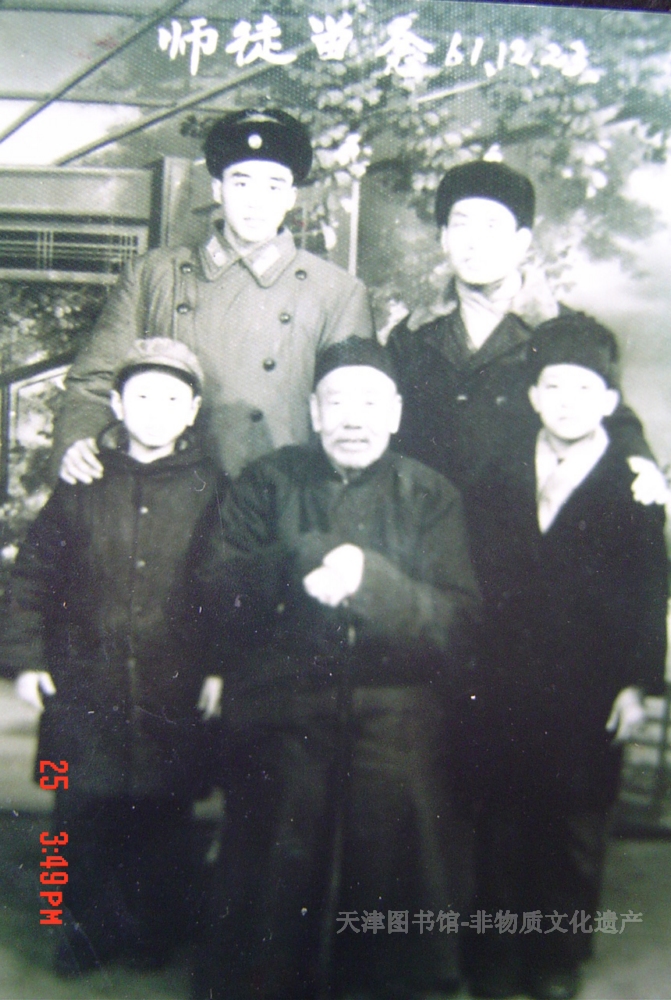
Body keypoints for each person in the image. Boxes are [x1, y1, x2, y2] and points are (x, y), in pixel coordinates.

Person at [191, 337, 481, 1000]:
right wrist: (305, 556)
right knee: (278, 818)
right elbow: (216, 589)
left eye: (371, 404)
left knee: (398, 809)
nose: (354, 419)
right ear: (315, 413)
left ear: (396, 413)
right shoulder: (266, 481)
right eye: (338, 403)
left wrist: (370, 581)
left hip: (394, 704)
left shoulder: (430, 494)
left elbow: (459, 622)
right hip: (287, 698)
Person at [0, 338, 223, 975]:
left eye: (173, 398)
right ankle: (76, 932)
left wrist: (218, 667)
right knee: (78, 815)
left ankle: (151, 932)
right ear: (118, 405)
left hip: (170, 686)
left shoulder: (212, 488)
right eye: (142, 395)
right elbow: (32, 576)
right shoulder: (82, 482)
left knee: (162, 814)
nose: (156, 409)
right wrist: (28, 659)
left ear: (193, 412)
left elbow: (225, 585)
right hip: (83, 687)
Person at [461, 315, 668, 1000]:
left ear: (610, 401)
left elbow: (647, 590)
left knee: (572, 827)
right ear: (532, 396)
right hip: (503, 680)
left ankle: (555, 957)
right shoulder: (498, 470)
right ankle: (493, 952)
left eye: (585, 389)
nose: (568, 402)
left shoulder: (631, 484)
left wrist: (636, 685)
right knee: (499, 818)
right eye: (553, 387)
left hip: (588, 689)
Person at [53, 108, 373, 483]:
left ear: (291, 197)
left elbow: (355, 413)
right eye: (242, 183)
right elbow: (93, 384)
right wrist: (79, 441)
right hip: (166, 492)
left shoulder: (337, 291)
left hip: (279, 498)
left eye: (273, 186)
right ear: (218, 190)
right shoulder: (153, 274)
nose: (256, 201)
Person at [386, 159, 666, 503]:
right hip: (431, 521)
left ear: (522, 242)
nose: (475, 242)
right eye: (461, 225)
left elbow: (614, 415)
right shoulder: (410, 336)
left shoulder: (567, 330)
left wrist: (639, 460)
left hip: (525, 523)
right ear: (444, 239)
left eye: (492, 226)